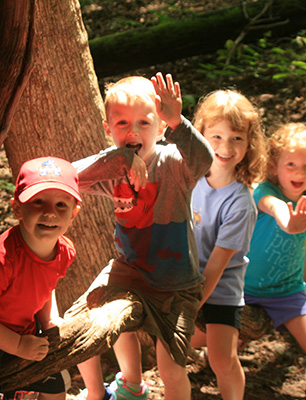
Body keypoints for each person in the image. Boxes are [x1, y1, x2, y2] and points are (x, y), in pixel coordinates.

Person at [74, 72, 214, 400]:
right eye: (121, 123)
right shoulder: (112, 168)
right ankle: (118, 390)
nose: (132, 131)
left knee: (171, 365)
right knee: (81, 321)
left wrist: (178, 121)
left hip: (174, 281)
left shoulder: (172, 162)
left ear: (160, 127)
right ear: (108, 129)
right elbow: (69, 177)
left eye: (144, 123)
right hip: (128, 271)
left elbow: (204, 160)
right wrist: (118, 159)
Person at [0, 157, 87, 400]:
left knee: (56, 386)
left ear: (74, 213)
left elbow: (46, 286)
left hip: (22, 327)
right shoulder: (1, 261)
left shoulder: (65, 251)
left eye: (61, 205)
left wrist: (49, 320)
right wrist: (18, 346)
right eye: (39, 202)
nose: (49, 213)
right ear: (17, 209)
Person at [189, 90, 267, 400]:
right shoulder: (190, 177)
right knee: (173, 342)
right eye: (216, 135)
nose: (225, 146)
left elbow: (218, 266)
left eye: (237, 138)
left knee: (223, 359)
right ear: (201, 134)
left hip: (219, 289)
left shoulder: (240, 201)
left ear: (249, 144)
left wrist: (191, 304)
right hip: (184, 278)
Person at [243, 122, 306, 395]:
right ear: (275, 165)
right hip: (243, 289)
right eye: (291, 165)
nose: (299, 172)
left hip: (288, 292)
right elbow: (276, 211)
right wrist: (290, 223)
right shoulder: (265, 191)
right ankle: (212, 357)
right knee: (202, 338)